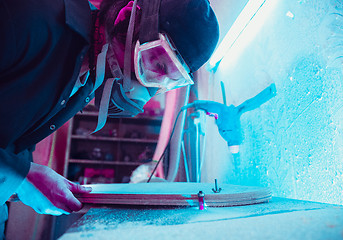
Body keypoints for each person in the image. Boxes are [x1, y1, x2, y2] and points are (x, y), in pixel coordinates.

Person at [0, 0, 219, 237]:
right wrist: (21, 177)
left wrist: (28, 172)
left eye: (165, 79)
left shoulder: (85, 78)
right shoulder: (26, 17)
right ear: (126, 16)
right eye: (155, 61)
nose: (148, 84)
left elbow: (14, 138)